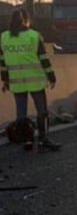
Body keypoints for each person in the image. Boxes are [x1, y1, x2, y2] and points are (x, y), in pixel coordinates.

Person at [0, 9, 60, 152]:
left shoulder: (4, 37)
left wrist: (5, 80)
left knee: (21, 114)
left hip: (16, 82)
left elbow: (3, 61)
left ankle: (26, 140)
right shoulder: (34, 36)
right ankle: (43, 140)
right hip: (35, 80)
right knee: (42, 112)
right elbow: (43, 59)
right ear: (26, 20)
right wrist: (51, 77)